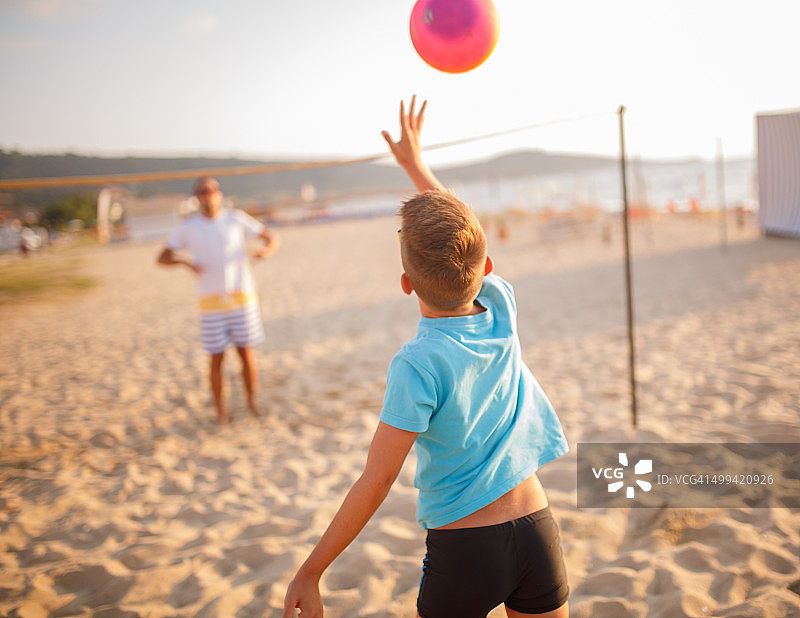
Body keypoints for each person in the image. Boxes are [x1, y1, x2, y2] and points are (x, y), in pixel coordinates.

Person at [282, 96, 569, 618]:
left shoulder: (416, 364)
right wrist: (416, 166)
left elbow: (377, 478)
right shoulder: (500, 305)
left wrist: (311, 570)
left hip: (465, 552)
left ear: (404, 284)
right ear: (486, 267)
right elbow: (467, 233)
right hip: (537, 528)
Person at [157, 176, 279, 425]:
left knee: (246, 353)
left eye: (213, 189)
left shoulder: (235, 218)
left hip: (241, 296)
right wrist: (185, 263)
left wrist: (264, 252)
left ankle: (251, 402)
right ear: (197, 197)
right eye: (203, 190)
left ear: (220, 194)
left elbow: (271, 238)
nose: (209, 194)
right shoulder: (189, 226)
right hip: (210, 302)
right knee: (216, 357)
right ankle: (220, 411)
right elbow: (162, 257)